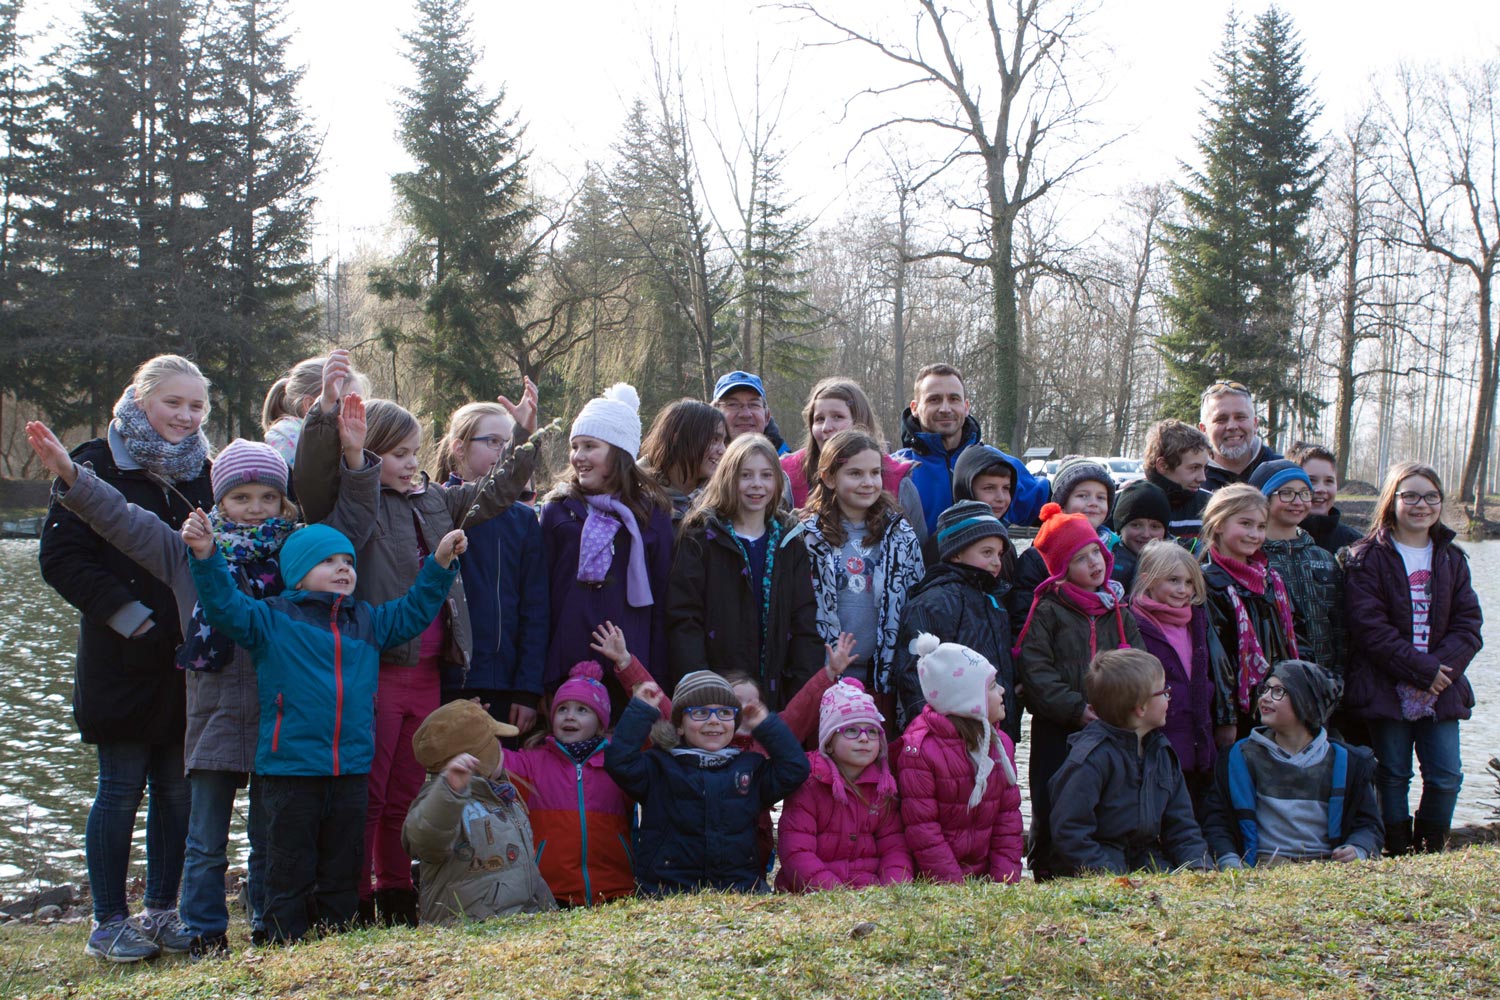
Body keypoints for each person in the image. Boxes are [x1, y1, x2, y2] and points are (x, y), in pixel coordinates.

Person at [28, 429, 305, 957]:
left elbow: (353, 533)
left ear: (284, 500)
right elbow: (125, 521)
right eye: (241, 498)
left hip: (278, 714)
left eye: (268, 497)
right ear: (217, 500)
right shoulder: (188, 553)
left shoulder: (296, 552)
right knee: (205, 839)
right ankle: (203, 930)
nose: (255, 508)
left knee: (271, 836)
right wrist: (73, 478)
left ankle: (270, 923)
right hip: (213, 712)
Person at [296, 373, 539, 927]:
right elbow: (323, 495)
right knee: (371, 792)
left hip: (430, 670)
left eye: (413, 452)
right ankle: (354, 898)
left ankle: (399, 894)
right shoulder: (355, 505)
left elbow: (494, 493)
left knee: (409, 787)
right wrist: (350, 450)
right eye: (396, 454)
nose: (410, 463)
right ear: (365, 453)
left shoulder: (435, 499)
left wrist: (523, 439)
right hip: (379, 669)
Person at [182, 512, 467, 942]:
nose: (343, 569)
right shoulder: (271, 619)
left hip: (350, 770)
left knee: (342, 867)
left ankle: (338, 940)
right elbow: (224, 605)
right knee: (287, 868)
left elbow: (414, 611)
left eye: (348, 562)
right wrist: (205, 555)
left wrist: (440, 564)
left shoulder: (367, 622)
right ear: (297, 573)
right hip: (289, 771)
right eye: (328, 561)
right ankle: (281, 943)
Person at [37, 354, 214, 962]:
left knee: (176, 788)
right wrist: (129, 619)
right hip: (120, 657)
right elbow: (60, 560)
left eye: (196, 406)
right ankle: (108, 919)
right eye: (174, 403)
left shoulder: (206, 472)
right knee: (120, 787)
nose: (185, 416)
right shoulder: (93, 465)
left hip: (189, 660)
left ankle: (162, 910)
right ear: (141, 402)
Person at [1342, 463, 1482, 855]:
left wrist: (1439, 673)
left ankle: (1430, 846)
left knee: (1446, 775)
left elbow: (1469, 625)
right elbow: (1369, 628)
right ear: (1393, 500)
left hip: (1443, 689)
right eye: (1411, 496)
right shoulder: (1365, 557)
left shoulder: (1452, 559)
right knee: (1392, 774)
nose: (1422, 505)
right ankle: (1396, 847)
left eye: (1431, 496)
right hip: (1387, 685)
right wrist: (1421, 670)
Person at [1013, 502, 1142, 879]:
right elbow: (1036, 671)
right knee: (1051, 797)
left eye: (1096, 554)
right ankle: (1047, 867)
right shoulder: (1048, 610)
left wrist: (1127, 706)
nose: (1094, 564)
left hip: (1110, 727)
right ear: (1062, 569)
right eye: (1081, 558)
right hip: (1059, 727)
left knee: (1100, 798)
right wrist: (1075, 709)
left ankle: (1096, 866)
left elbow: (1138, 662)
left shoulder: (1118, 609)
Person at [604, 672, 810, 895]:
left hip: (739, 888)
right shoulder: (659, 766)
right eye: (700, 712)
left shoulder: (750, 768)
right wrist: (640, 712)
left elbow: (795, 769)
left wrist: (766, 726)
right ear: (679, 726)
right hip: (668, 889)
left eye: (724, 712)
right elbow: (619, 762)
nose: (714, 720)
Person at [506, 624, 664, 906]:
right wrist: (472, 727)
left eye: (582, 710)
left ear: (601, 721)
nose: (570, 716)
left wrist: (627, 665)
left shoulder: (621, 758)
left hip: (617, 892)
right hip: (550, 895)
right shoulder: (533, 761)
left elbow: (664, 725)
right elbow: (491, 761)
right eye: (563, 709)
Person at [542, 383, 674, 705]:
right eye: (575, 446)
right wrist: (538, 680)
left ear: (619, 452)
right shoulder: (558, 510)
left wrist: (654, 677)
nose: (578, 457)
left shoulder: (652, 515)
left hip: (630, 664)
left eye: (590, 446)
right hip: (567, 663)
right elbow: (540, 596)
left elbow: (663, 603)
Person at [668, 433, 822, 710]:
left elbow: (804, 623)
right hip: (713, 697)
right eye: (746, 475)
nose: (757, 485)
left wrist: (798, 694)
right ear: (728, 478)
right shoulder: (700, 537)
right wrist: (702, 687)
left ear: (777, 481)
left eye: (766, 475)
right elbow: (684, 618)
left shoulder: (790, 542)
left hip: (777, 697)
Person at [434, 402, 548, 736]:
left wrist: (528, 689)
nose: (503, 451)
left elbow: (535, 609)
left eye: (508, 443)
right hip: (446, 681)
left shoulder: (524, 520)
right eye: (493, 441)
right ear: (459, 447)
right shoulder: (435, 507)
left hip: (506, 684)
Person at [1202, 660, 1384, 868]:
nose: (1265, 698)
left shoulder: (1347, 762)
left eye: (1278, 691)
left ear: (1304, 702)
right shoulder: (1239, 758)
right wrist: (1229, 859)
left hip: (1327, 864)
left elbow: (1369, 824)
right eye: (1265, 689)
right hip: (1267, 863)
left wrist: (1358, 848)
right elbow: (1217, 822)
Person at [1047, 649, 1213, 876]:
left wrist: (1198, 867)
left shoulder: (1161, 752)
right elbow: (1070, 833)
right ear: (1141, 707)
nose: (1169, 697)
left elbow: (1182, 826)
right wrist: (1112, 878)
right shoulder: (1090, 759)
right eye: (1164, 691)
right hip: (1101, 863)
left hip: (1147, 859)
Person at [800, 430, 925, 706]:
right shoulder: (807, 537)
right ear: (829, 477)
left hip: (883, 680)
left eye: (875, 473)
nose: (868, 483)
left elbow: (916, 601)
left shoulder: (900, 535)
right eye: (855, 474)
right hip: (825, 678)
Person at [402, 700, 556, 923]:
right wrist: (449, 792)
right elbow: (426, 840)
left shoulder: (504, 796)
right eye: (495, 742)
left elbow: (528, 874)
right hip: (464, 931)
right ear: (479, 756)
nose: (501, 749)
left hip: (517, 927)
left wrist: (549, 913)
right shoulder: (441, 801)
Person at [895, 634, 1023, 884]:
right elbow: (923, 830)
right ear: (967, 700)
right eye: (992, 685)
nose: (1003, 690)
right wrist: (954, 889)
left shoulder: (1001, 744)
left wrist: (1004, 882)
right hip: (938, 882)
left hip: (983, 877)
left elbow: (1008, 820)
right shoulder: (920, 750)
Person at [893, 501, 1017, 740]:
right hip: (949, 737)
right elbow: (913, 675)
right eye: (986, 552)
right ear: (957, 553)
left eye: (999, 554)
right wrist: (937, 733)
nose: (997, 562)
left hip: (994, 730)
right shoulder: (933, 602)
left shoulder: (991, 599)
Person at [775, 680, 912, 892]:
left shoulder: (883, 787)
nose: (864, 738)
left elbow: (894, 846)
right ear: (829, 742)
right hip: (814, 892)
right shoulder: (809, 782)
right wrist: (835, 893)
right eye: (851, 730)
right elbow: (796, 850)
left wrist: (893, 889)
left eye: (872, 731)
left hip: (869, 889)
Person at [894, 363, 1047, 540]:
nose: (945, 409)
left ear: (966, 407)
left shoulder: (995, 462)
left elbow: (1055, 506)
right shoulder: (895, 471)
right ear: (914, 408)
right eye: (934, 399)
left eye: (954, 399)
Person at [1199, 484, 1298, 742]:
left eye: (1261, 526)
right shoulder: (1209, 582)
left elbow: (1293, 636)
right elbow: (1216, 657)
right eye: (1245, 524)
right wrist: (1225, 716)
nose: (1254, 534)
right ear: (1218, 524)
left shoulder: (1270, 580)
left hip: (1274, 700)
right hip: (1236, 707)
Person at [1128, 541, 1221, 812]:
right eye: (1173, 580)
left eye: (1189, 582)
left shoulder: (1197, 620)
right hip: (1156, 736)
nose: (1183, 590)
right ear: (1148, 580)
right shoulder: (1133, 622)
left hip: (1197, 733)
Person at [1251, 460, 1346, 686]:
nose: (1298, 501)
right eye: (1286, 493)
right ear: (1263, 498)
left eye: (1304, 493)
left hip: (1323, 683)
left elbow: (1341, 628)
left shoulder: (1323, 558)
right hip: (1271, 687)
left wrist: (1339, 678)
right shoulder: (1252, 558)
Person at [1008, 457, 1117, 627]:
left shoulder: (1114, 548)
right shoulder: (1039, 556)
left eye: (1101, 497)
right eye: (1082, 495)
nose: (1093, 503)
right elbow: (1023, 615)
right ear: (1062, 504)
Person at [781, 377, 912, 509]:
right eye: (819, 419)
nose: (826, 427)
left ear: (860, 422)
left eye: (838, 417)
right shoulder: (787, 477)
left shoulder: (898, 482)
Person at [260, 349, 369, 467]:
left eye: (359, 403)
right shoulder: (285, 450)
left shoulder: (349, 447)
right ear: (310, 406)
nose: (357, 411)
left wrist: (355, 455)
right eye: (347, 401)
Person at [638, 399, 729, 523]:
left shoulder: (722, 499)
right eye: (714, 439)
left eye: (723, 441)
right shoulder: (633, 494)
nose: (723, 450)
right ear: (678, 438)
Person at [946, 444, 1020, 580]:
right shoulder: (945, 544)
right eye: (989, 488)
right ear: (966, 489)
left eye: (1006, 488)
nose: (1001, 498)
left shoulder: (1005, 548)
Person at [1199, 381, 1282, 491]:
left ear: (1255, 424)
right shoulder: (1191, 481)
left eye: (1240, 417)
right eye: (1221, 419)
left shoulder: (1282, 472)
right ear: (1203, 430)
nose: (1232, 426)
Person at [1142, 419, 1213, 544]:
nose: (1202, 478)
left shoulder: (1211, 507)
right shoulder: (1124, 505)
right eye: (1194, 468)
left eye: (1204, 468)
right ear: (1163, 466)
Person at [1288, 444, 1363, 555]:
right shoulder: (1277, 538)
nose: (1321, 489)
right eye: (1312, 480)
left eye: (1329, 481)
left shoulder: (1355, 543)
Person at [1109, 479, 1171, 593]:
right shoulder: (1106, 563)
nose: (1146, 534)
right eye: (1136, 525)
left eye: (1155, 526)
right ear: (1120, 528)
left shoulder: (1176, 563)